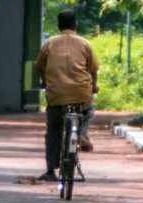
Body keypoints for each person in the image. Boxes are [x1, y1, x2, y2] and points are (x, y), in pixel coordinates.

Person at [34, 10, 98, 182]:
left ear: (58, 26)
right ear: (75, 25)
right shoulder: (85, 43)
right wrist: (94, 86)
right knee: (88, 111)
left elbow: (39, 65)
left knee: (53, 131)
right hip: (80, 94)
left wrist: (44, 81)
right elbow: (93, 69)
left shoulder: (49, 43)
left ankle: (50, 170)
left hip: (56, 95)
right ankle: (83, 133)